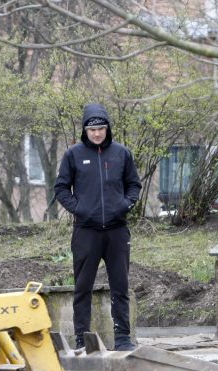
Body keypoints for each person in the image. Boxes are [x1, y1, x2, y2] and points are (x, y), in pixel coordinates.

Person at [54, 103, 142, 351]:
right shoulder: (73, 154)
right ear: (85, 130)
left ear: (107, 129)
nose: (97, 134)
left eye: (101, 129)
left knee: (120, 285)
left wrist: (125, 204)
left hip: (116, 230)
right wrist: (81, 209)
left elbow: (134, 184)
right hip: (86, 231)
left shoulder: (121, 154)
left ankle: (123, 338)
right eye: (92, 130)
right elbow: (61, 188)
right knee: (82, 287)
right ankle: (82, 339)